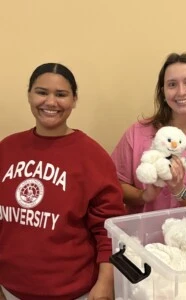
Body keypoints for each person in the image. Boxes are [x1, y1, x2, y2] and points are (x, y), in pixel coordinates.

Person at [0, 63, 126, 300]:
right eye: (41, 92)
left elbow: (109, 229)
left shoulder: (92, 156)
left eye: (61, 94)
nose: (50, 102)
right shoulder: (7, 149)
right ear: (29, 94)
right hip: (10, 289)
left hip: (74, 292)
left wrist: (105, 283)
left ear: (74, 100)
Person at [111, 52, 186, 214]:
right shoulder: (137, 133)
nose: (181, 92)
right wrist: (145, 195)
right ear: (163, 93)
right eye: (172, 84)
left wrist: (180, 191)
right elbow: (115, 183)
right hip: (140, 235)